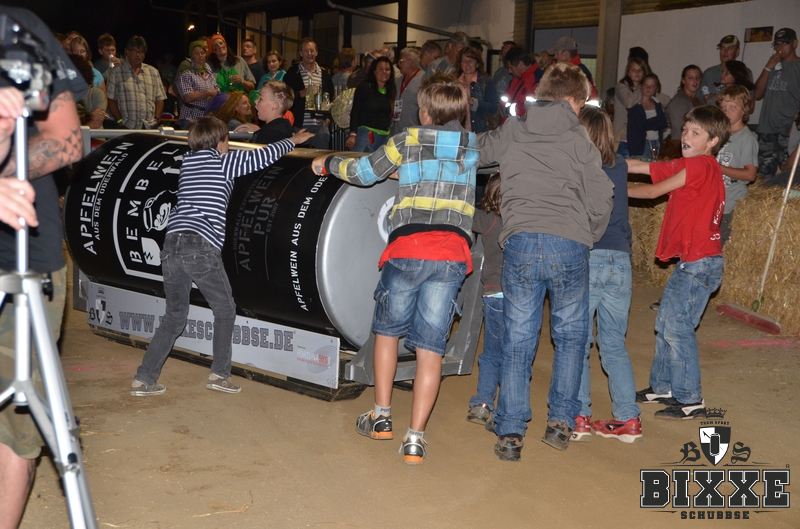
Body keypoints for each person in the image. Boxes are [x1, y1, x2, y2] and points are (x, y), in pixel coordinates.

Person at [310, 76, 479, 464]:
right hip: (451, 255)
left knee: (386, 334)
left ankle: (381, 417)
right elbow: (440, 176)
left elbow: (364, 172)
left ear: (425, 112)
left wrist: (328, 162)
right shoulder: (471, 147)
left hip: (408, 249)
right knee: (431, 349)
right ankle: (415, 439)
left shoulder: (408, 141)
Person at [477, 62, 613, 460]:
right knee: (570, 337)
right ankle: (559, 423)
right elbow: (601, 197)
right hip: (569, 244)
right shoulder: (579, 140)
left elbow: (475, 153)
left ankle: (510, 431)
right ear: (572, 100)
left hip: (520, 242)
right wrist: (589, 234)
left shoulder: (514, 129)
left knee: (519, 337)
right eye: (582, 103)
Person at [131, 117, 313, 397]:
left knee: (174, 316)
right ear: (219, 142)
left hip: (171, 245)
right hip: (199, 245)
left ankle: (144, 378)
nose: (229, 145)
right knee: (225, 309)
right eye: (227, 140)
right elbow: (262, 157)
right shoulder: (222, 162)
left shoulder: (187, 163)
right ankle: (219, 374)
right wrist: (293, 141)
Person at [0, 7, 87, 528]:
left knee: (16, 433)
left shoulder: (16, 29)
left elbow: (69, 138)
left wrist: (6, 154)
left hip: (21, 256)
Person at [627, 105, 729, 420]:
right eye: (685, 129)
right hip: (695, 263)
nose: (686, 135)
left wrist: (609, 186)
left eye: (696, 133)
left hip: (699, 264)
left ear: (712, 141)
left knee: (677, 328)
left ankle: (690, 399)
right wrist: (608, 164)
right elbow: (644, 167)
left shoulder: (700, 166)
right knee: (666, 324)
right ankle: (663, 387)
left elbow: (653, 191)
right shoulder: (696, 166)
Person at [573, 106, 642, 444]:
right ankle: (628, 418)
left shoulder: (580, 171)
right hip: (620, 261)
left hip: (590, 257)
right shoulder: (620, 166)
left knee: (579, 342)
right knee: (613, 343)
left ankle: (580, 415)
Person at [465, 172, 503, 428]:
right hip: (523, 297)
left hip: (494, 294)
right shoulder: (525, 220)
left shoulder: (488, 220)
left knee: (491, 352)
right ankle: (507, 410)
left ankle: (482, 403)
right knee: (516, 355)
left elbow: (463, 213)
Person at [754, 27, 800, 185]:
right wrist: (768, 66)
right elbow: (757, 94)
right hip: (766, 130)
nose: (779, 47)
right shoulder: (772, 66)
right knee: (765, 177)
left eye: (784, 43)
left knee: (787, 177)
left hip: (788, 132)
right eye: (777, 44)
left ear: (795, 44)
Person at [717, 85, 758, 244]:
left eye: (732, 107)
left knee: (718, 246)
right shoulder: (719, 134)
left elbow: (750, 174)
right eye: (723, 108)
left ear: (744, 110)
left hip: (729, 204)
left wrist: (719, 168)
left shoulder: (746, 138)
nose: (726, 112)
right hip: (713, 201)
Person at [106, 35, 166, 129]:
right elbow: (111, 100)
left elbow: (160, 98)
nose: (138, 55)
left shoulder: (153, 72)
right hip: (126, 127)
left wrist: (156, 119)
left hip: (149, 127)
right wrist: (120, 121)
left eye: (142, 52)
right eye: (136, 51)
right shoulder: (116, 72)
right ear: (127, 52)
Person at [346, 56, 395, 152]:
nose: (384, 72)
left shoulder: (391, 90)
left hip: (385, 137)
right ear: (374, 71)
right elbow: (355, 111)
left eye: (387, 69)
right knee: (359, 160)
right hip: (366, 135)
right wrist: (353, 134)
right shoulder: (364, 87)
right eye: (381, 69)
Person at [174, 40, 220, 130]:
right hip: (190, 118)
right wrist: (207, 93)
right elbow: (188, 97)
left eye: (202, 53)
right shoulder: (186, 72)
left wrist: (214, 93)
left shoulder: (208, 70)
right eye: (196, 53)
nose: (200, 56)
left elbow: (216, 89)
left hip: (207, 117)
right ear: (191, 55)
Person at [626, 73, 668, 160]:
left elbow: (663, 122)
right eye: (646, 85)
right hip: (640, 146)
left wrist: (647, 123)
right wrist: (655, 122)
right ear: (641, 86)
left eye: (652, 86)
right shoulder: (635, 105)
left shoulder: (657, 104)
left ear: (656, 88)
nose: (648, 88)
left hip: (656, 143)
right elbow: (638, 126)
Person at [614, 57, 650, 155]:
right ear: (628, 72)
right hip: (623, 138)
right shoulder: (621, 86)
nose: (637, 72)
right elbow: (629, 103)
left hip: (640, 138)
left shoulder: (645, 89)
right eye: (634, 70)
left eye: (640, 70)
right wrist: (642, 88)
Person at [701, 35, 751, 105]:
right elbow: (699, 100)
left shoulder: (744, 72)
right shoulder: (708, 73)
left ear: (737, 52)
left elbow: (749, 104)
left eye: (730, 48)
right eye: (722, 48)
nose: (725, 51)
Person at [457, 47, 497, 133]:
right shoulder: (455, 83)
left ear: (477, 64)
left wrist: (476, 103)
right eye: (464, 61)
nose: (467, 64)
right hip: (459, 131)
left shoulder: (486, 81)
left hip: (481, 131)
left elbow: (494, 107)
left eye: (470, 61)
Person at [665, 65, 703, 141]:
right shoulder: (679, 101)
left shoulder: (698, 100)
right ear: (683, 80)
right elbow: (679, 129)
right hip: (682, 143)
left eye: (697, 78)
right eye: (690, 78)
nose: (695, 81)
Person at [390, 47, 422, 136]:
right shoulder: (398, 81)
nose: (398, 64)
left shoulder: (424, 79)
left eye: (401, 61)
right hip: (396, 131)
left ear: (410, 61)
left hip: (414, 133)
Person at [502, 47, 538, 120]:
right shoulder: (516, 80)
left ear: (520, 64)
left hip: (525, 126)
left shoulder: (538, 79)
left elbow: (534, 111)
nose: (509, 71)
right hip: (511, 124)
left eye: (511, 68)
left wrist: (509, 111)